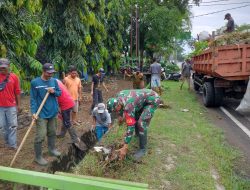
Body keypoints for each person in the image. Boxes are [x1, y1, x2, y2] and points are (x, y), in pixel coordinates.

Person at [107, 89, 160, 160]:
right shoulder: (118, 97)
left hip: (152, 100)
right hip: (141, 101)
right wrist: (120, 116)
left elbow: (130, 126)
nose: (115, 112)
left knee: (141, 122)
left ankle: (143, 149)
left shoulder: (128, 106)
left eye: (115, 110)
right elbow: (121, 110)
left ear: (118, 105)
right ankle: (138, 135)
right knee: (135, 117)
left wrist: (125, 146)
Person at [30, 63, 61, 166]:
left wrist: (53, 91)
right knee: (41, 135)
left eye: (52, 72)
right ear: (43, 71)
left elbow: (59, 93)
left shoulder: (54, 81)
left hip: (53, 111)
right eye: (49, 73)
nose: (51, 74)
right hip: (41, 113)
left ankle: (51, 149)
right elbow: (33, 99)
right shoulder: (35, 82)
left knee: (52, 132)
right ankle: (38, 157)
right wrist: (34, 112)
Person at [0, 58, 21, 149]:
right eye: (1, 68)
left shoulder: (14, 77)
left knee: (13, 125)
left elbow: (17, 91)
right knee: (2, 127)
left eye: (4, 67)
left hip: (11, 106)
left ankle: (12, 145)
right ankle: (7, 141)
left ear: (8, 66)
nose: (2, 69)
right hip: (0, 107)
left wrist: (18, 105)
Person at [56, 80, 81, 147]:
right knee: (65, 119)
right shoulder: (57, 81)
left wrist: (57, 109)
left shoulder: (52, 84)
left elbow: (55, 99)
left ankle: (75, 138)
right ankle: (62, 134)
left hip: (65, 104)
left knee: (67, 122)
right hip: (69, 100)